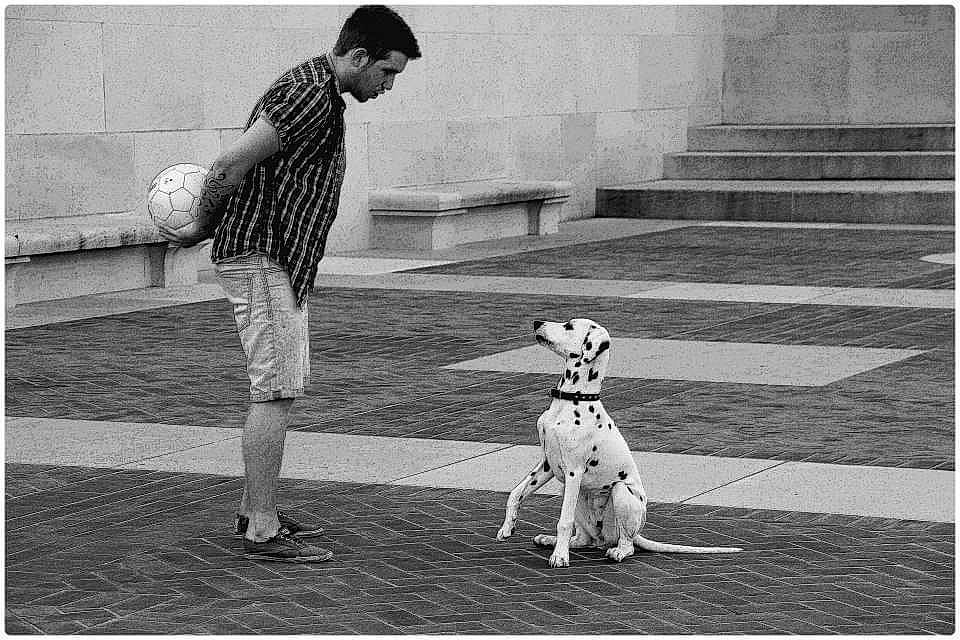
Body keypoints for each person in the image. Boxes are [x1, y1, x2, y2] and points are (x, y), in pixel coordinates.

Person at [159, 5, 421, 563]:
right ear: (357, 56)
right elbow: (229, 164)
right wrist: (201, 225)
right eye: (386, 72)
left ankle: (259, 505)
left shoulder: (319, 92)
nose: (388, 85)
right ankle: (260, 527)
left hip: (276, 262)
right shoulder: (308, 94)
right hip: (262, 258)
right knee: (274, 390)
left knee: (279, 385)